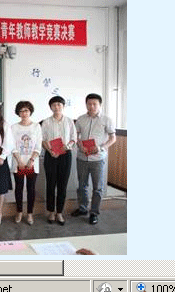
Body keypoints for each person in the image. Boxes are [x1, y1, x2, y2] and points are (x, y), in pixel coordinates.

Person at [72, 93, 117, 225]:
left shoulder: (107, 119)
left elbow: (113, 138)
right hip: (82, 158)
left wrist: (101, 148)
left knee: (97, 187)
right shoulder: (80, 119)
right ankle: (82, 208)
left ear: (99, 105)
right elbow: (76, 136)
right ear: (86, 104)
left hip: (98, 159)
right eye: (89, 104)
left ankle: (94, 213)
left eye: (94, 104)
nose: (91, 106)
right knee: (82, 186)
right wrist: (80, 145)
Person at [41, 95, 77, 225]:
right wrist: (50, 151)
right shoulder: (46, 122)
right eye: (54, 105)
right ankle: (51, 212)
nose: (56, 107)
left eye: (59, 104)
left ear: (63, 106)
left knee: (63, 184)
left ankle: (60, 212)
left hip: (65, 155)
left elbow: (73, 138)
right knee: (50, 184)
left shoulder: (69, 121)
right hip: (50, 155)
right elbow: (42, 139)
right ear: (50, 107)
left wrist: (67, 146)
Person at [10, 101, 42, 225]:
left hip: (32, 163)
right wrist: (19, 161)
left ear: (30, 112)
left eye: (26, 110)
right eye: (21, 111)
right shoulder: (14, 127)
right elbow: (12, 145)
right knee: (18, 188)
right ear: (18, 113)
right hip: (18, 162)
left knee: (31, 189)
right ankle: (19, 212)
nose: (24, 113)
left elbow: (38, 145)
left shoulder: (36, 126)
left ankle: (29, 213)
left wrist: (31, 160)